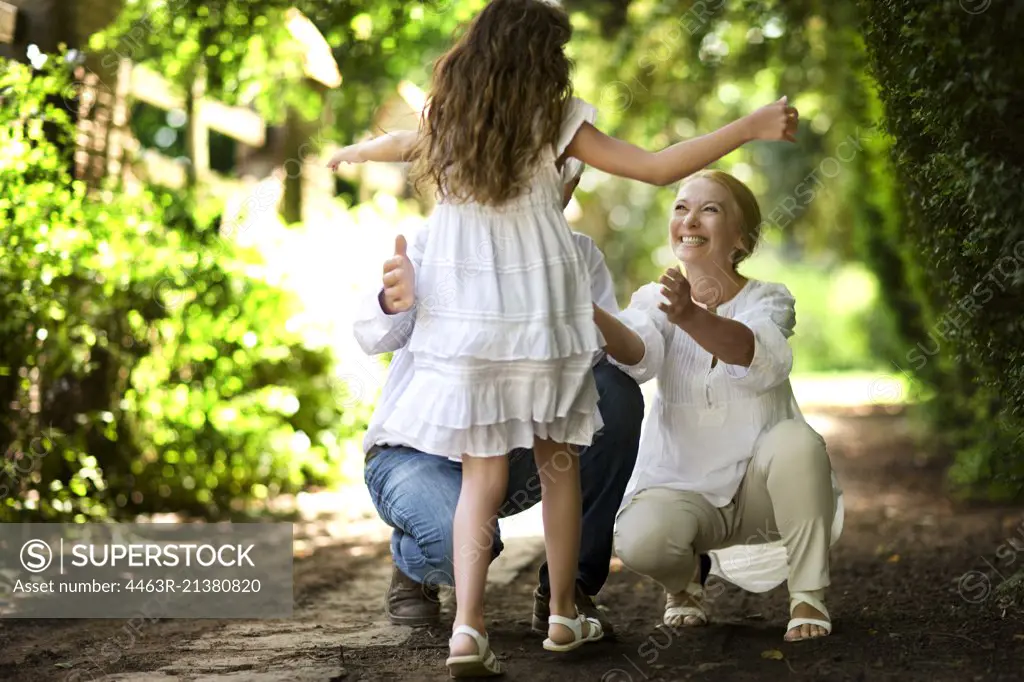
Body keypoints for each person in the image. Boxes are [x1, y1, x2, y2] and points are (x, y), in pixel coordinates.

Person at [329, 0, 797, 673]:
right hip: (541, 311)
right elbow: (659, 167)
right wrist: (749, 125)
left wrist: (357, 151)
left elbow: (402, 144)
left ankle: (468, 629)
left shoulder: (450, 120)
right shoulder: (557, 119)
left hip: (472, 328)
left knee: (480, 481)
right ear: (544, 59)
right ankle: (562, 616)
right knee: (559, 467)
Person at [593, 169, 844, 643]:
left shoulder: (768, 299)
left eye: (710, 209)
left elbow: (753, 353)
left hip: (763, 495)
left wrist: (691, 314)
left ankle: (808, 594)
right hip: (685, 492)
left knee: (798, 442)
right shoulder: (654, 299)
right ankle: (685, 585)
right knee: (640, 539)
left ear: (740, 239)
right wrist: (587, 308)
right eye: (682, 207)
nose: (690, 218)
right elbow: (635, 355)